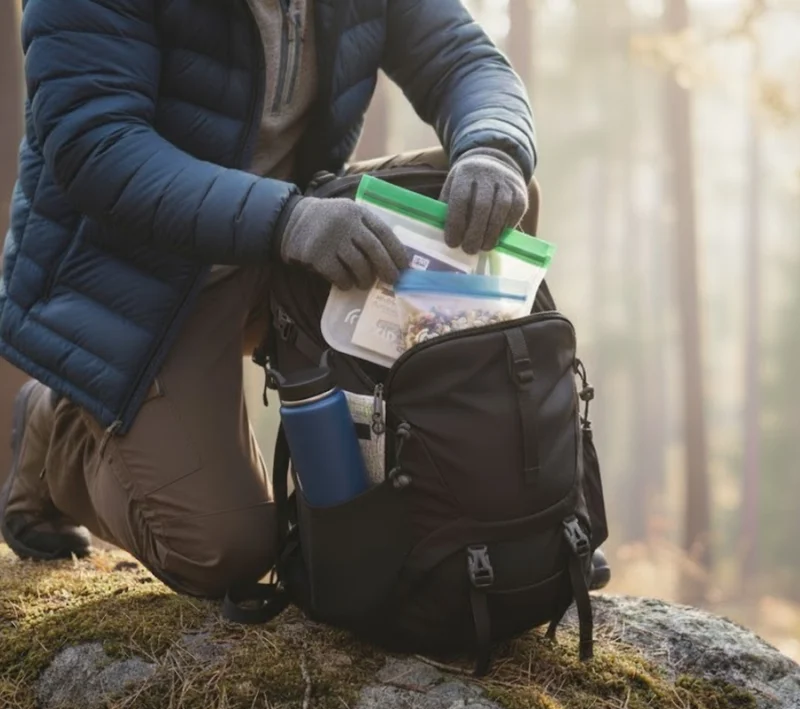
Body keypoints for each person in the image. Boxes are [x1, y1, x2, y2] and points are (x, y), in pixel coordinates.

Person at [1, 0, 607, 598]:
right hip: (141, 272)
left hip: (295, 235)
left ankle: (505, 508)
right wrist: (288, 221)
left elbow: (460, 58)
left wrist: (492, 146)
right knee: (225, 550)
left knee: (497, 191)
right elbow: (96, 144)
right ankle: (60, 425)